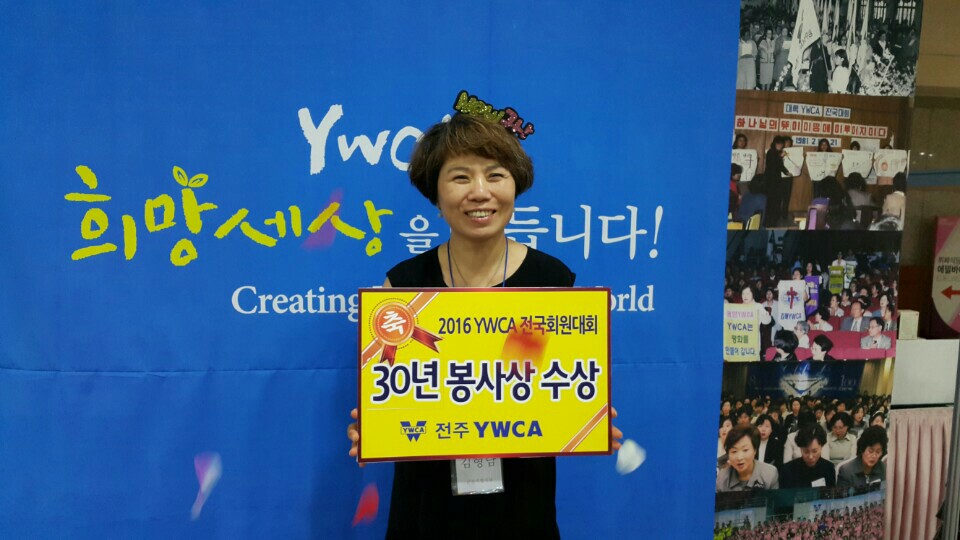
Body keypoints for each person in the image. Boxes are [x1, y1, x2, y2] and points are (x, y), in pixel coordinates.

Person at [345, 114, 623, 538]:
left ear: (515, 185)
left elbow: (547, 388)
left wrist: (585, 421)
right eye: (460, 177)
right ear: (436, 194)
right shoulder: (403, 286)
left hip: (521, 508)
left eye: (495, 175)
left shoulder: (550, 281)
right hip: (426, 509)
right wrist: (376, 426)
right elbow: (395, 394)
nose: (480, 192)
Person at [716, 425, 779, 492]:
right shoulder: (722, 478)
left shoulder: (770, 474)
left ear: (755, 450)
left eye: (745, 450)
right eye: (734, 451)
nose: (739, 457)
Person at [779, 424, 837, 489]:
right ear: (800, 448)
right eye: (806, 452)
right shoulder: (788, 470)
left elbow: (831, 493)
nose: (810, 457)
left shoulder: (828, 468)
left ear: (821, 447)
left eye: (814, 451)